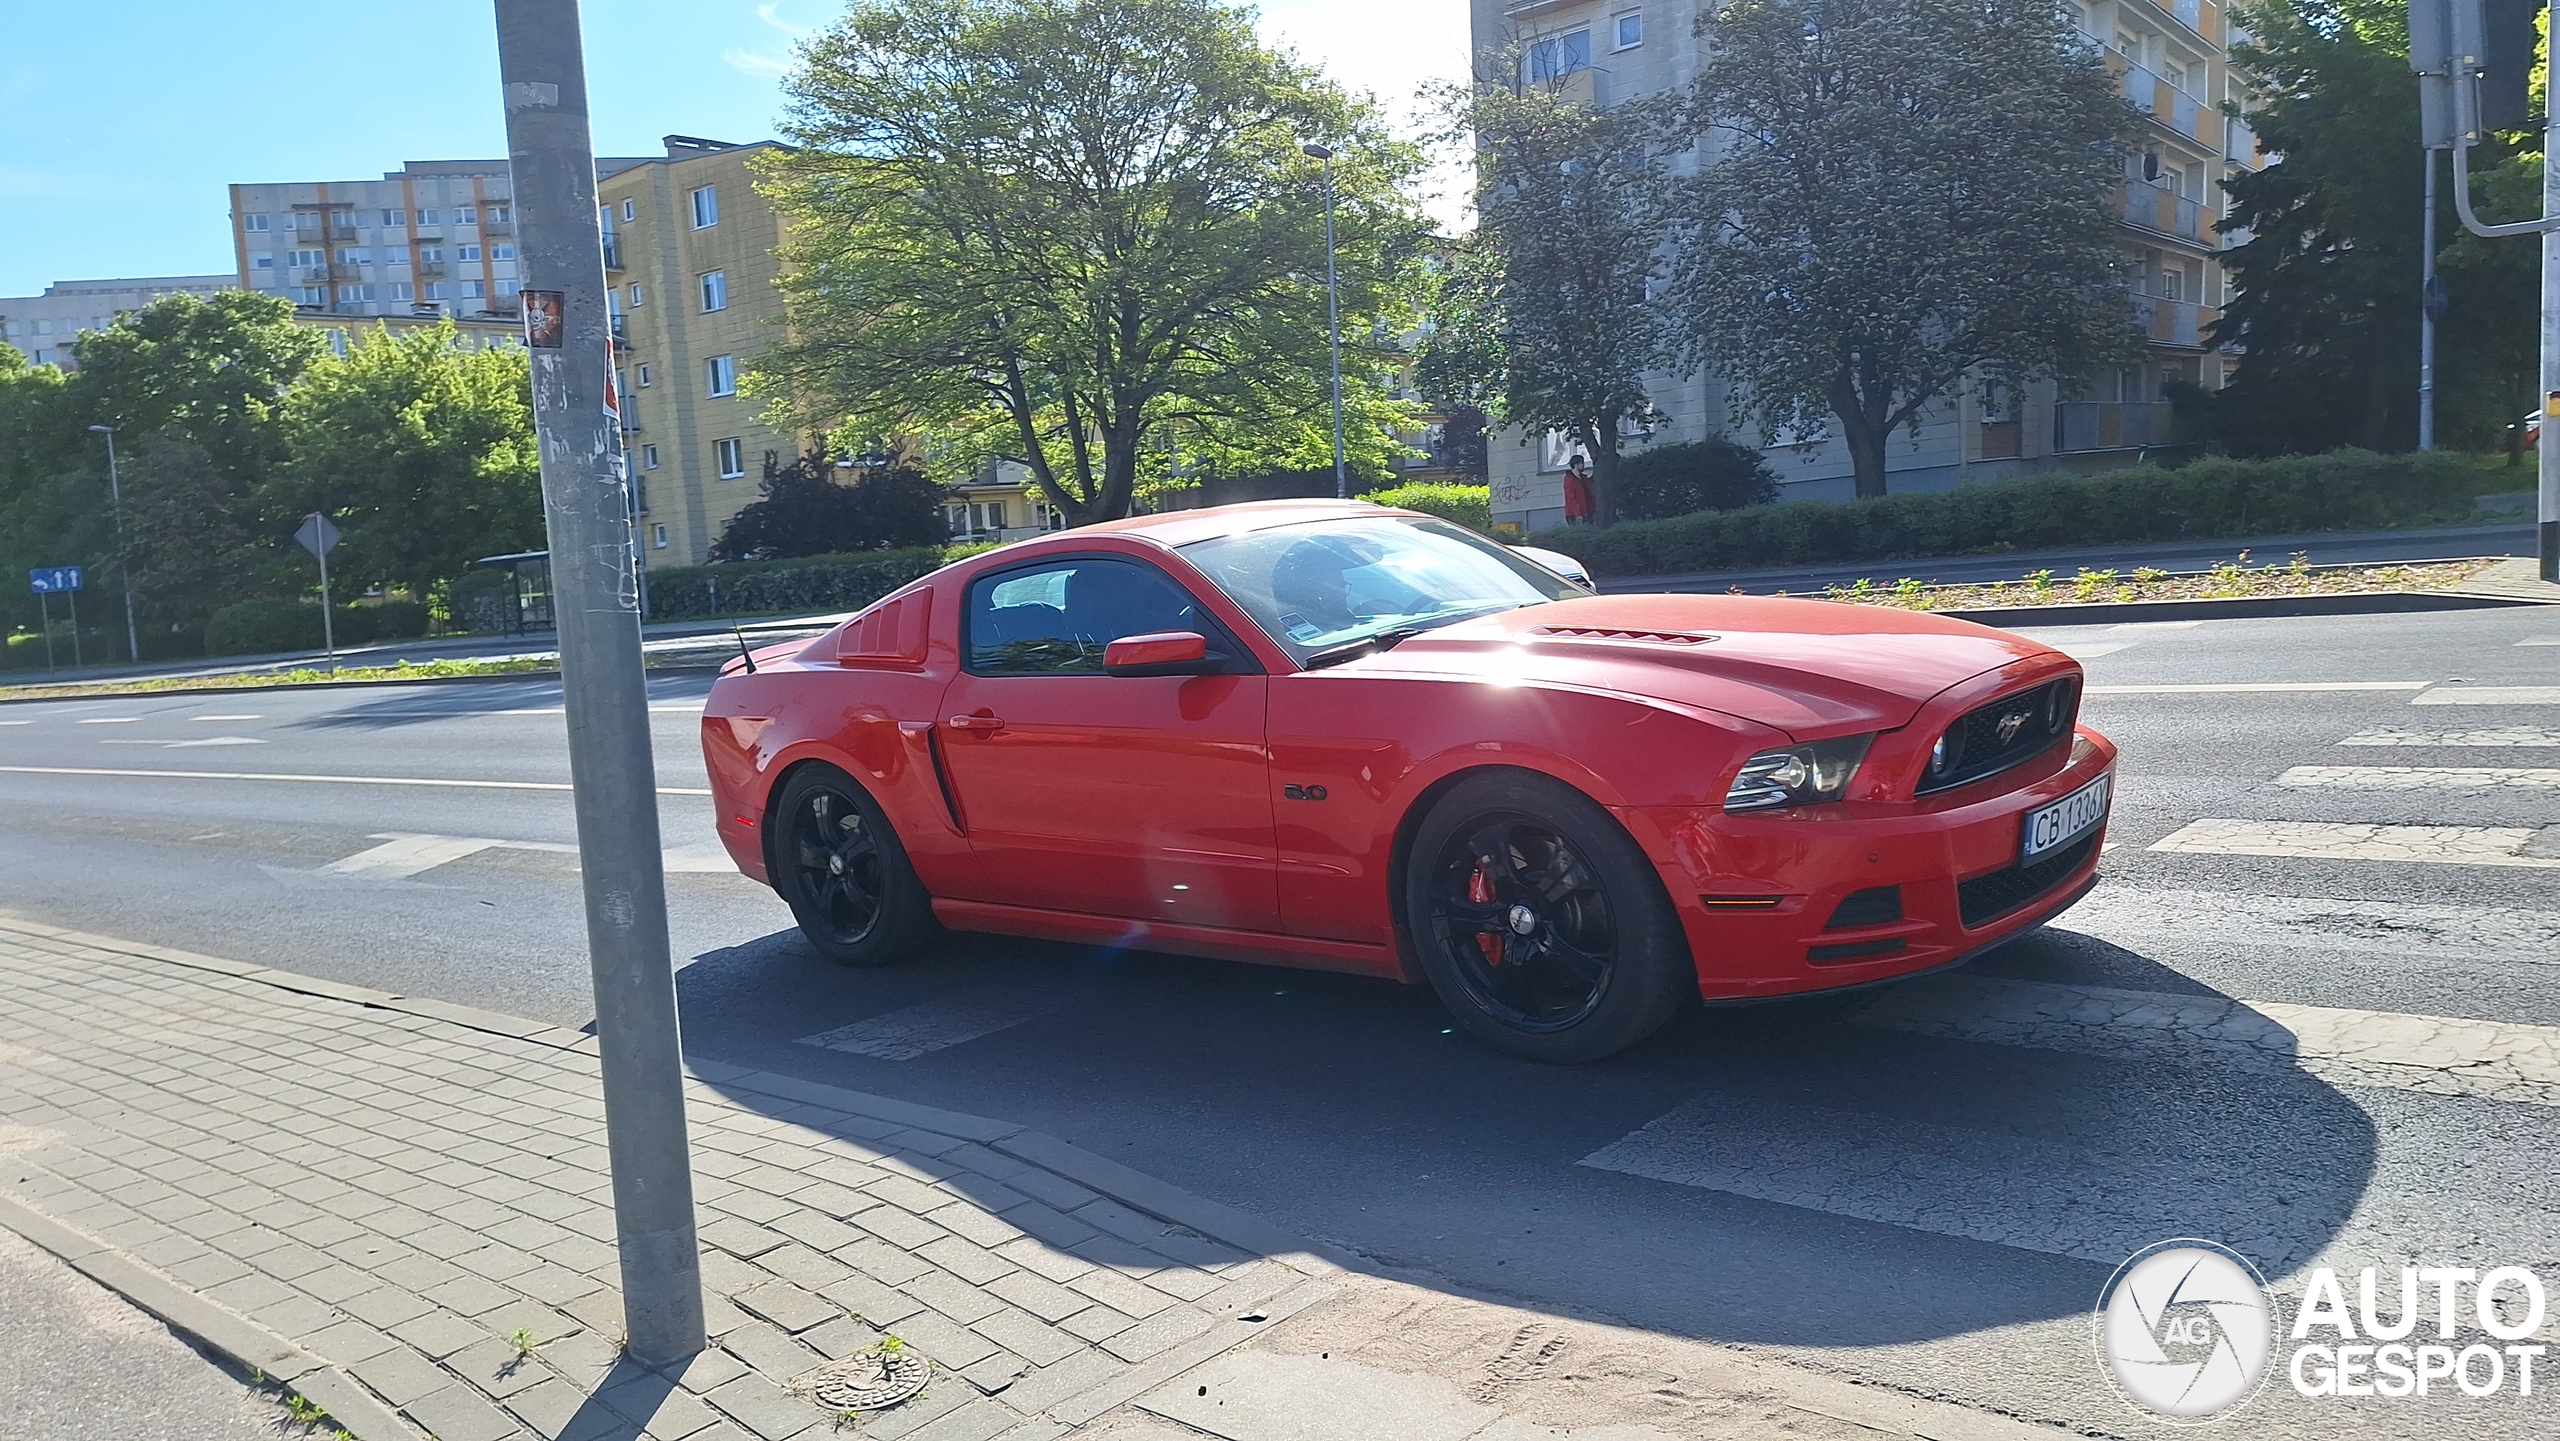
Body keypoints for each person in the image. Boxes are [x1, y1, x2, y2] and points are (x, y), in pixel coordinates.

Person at [1561, 455, 1594, 525]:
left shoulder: (1584, 479)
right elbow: (1571, 498)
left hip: (1587, 512)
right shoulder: (1569, 480)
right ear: (1576, 464)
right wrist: (1577, 513)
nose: (1583, 465)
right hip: (1574, 515)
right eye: (1581, 463)